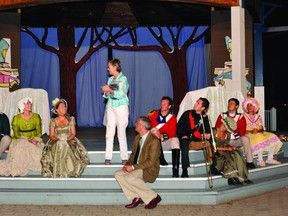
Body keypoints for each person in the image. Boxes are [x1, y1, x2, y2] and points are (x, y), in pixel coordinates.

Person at [114, 116, 161, 209]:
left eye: (137, 123)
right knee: (118, 174)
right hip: (137, 167)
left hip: (148, 169)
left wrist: (133, 167)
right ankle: (137, 197)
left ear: (142, 127)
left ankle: (154, 197)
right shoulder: (137, 138)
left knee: (130, 177)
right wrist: (127, 165)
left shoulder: (154, 141)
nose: (135, 124)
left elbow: (150, 162)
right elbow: (133, 155)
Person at [41, 98, 90, 178]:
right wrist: (59, 139)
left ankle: (68, 169)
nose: (64, 108)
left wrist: (66, 139)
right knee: (60, 145)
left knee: (64, 145)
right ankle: (58, 170)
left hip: (69, 139)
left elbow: (73, 133)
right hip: (56, 141)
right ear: (57, 110)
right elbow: (52, 136)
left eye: (65, 107)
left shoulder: (71, 119)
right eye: (62, 107)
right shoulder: (53, 121)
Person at [0, 97, 43, 177]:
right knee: (20, 147)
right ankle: (16, 169)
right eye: (27, 103)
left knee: (37, 150)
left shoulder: (36, 117)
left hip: (34, 139)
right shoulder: (16, 118)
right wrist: (27, 139)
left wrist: (35, 140)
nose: (30, 105)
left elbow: (39, 132)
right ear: (22, 106)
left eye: (30, 103)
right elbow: (17, 134)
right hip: (20, 139)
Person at [101, 59, 129, 165]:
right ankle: (108, 157)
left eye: (109, 67)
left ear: (114, 67)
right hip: (111, 106)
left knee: (121, 133)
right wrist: (106, 91)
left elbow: (121, 93)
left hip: (121, 106)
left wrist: (109, 89)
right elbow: (107, 95)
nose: (108, 69)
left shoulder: (123, 79)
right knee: (109, 133)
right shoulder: (110, 79)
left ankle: (124, 157)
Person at [215, 98, 256, 169]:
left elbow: (242, 131)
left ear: (237, 106)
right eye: (229, 103)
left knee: (245, 139)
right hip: (225, 140)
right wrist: (227, 136)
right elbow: (217, 127)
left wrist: (234, 136)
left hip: (236, 139)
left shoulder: (240, 116)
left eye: (232, 103)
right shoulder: (222, 116)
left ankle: (250, 162)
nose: (229, 105)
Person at [177, 97, 212, 178]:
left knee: (211, 141)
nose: (195, 104)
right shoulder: (187, 114)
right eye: (196, 102)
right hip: (187, 140)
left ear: (203, 108)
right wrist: (182, 135)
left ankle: (213, 166)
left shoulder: (204, 118)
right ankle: (184, 169)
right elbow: (179, 127)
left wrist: (207, 135)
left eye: (198, 103)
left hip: (198, 140)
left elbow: (208, 131)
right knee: (184, 141)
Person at [242, 97, 282, 167]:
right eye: (248, 105)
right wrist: (251, 131)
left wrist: (258, 130)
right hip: (248, 134)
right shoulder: (243, 116)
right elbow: (241, 129)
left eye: (251, 105)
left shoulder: (258, 116)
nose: (249, 107)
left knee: (272, 136)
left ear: (254, 106)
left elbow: (262, 128)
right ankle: (260, 160)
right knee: (259, 137)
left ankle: (270, 158)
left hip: (259, 133)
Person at [213, 117, 253, 185]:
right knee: (229, 160)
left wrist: (231, 148)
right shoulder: (213, 131)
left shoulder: (227, 135)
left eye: (225, 127)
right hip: (215, 152)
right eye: (223, 125)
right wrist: (227, 149)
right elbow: (211, 147)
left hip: (225, 150)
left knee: (237, 154)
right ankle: (232, 177)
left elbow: (226, 144)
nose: (223, 127)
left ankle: (242, 176)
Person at [148, 96, 180, 177]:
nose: (162, 105)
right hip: (153, 143)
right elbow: (147, 127)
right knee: (154, 133)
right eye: (162, 103)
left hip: (164, 142)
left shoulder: (172, 118)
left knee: (175, 140)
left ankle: (175, 170)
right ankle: (161, 158)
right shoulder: (153, 114)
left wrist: (162, 135)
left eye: (165, 104)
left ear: (169, 106)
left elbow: (172, 133)